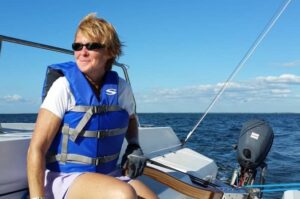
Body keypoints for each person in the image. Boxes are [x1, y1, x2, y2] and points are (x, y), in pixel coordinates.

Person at [27, 13, 158, 199]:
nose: (83, 52)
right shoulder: (63, 87)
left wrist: (134, 145)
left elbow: (130, 119)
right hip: (64, 177)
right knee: (123, 195)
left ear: (111, 52)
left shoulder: (121, 88)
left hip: (108, 175)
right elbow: (36, 149)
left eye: (92, 46)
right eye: (77, 46)